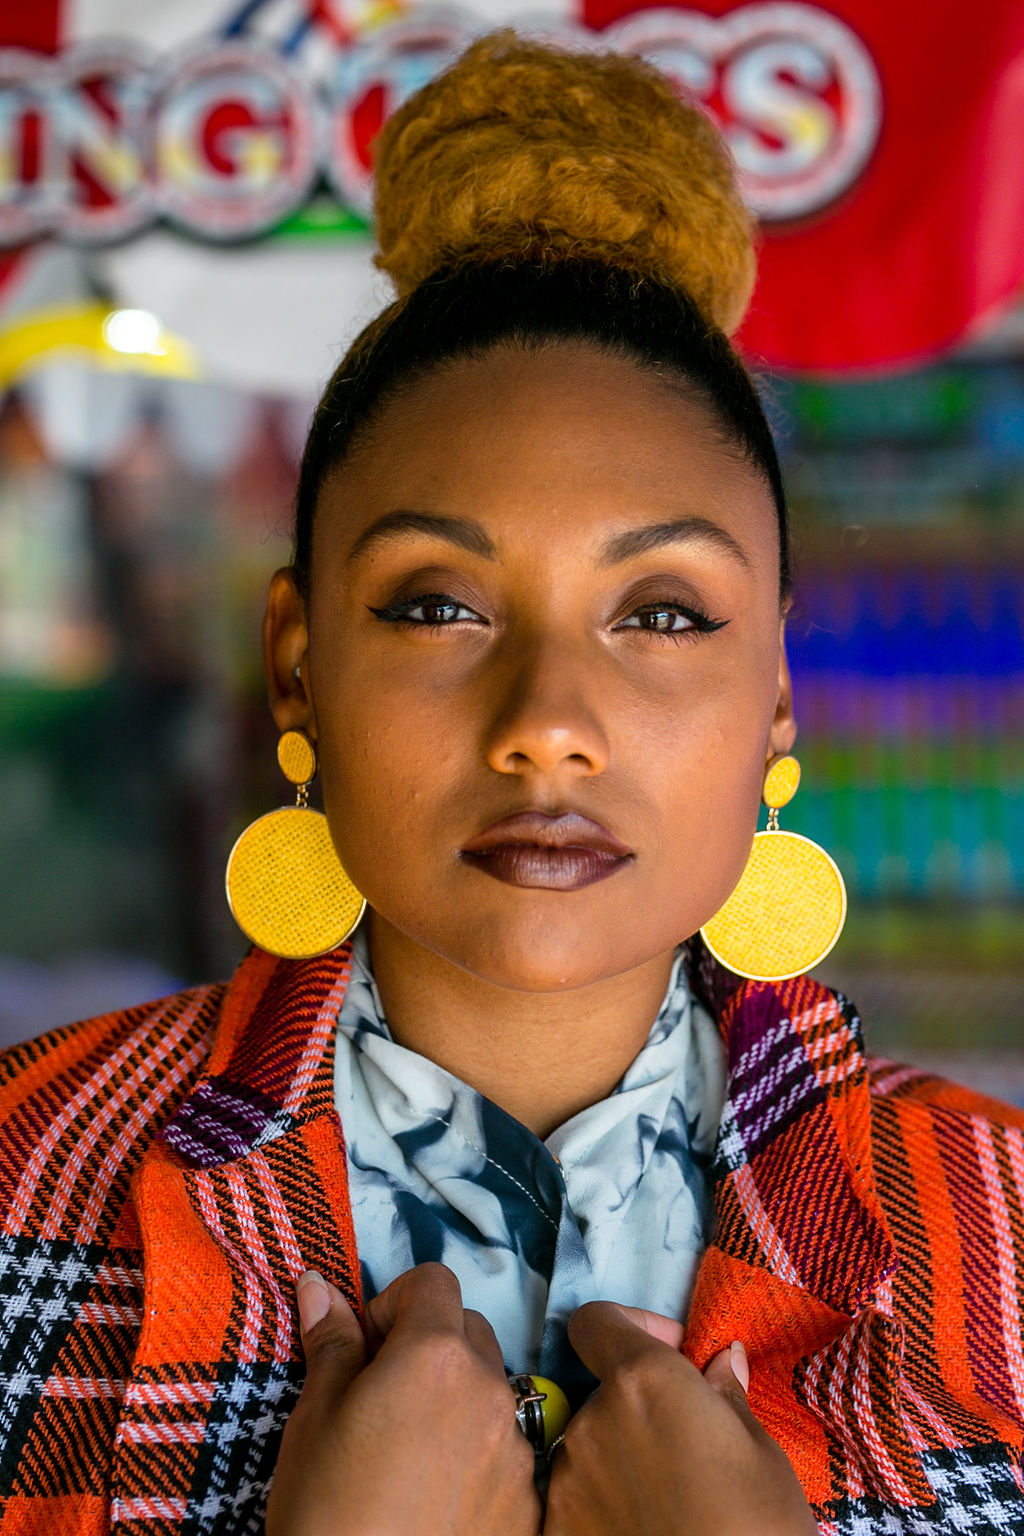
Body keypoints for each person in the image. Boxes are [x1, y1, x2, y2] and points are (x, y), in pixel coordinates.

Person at [0, 30, 1021, 1536]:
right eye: (437, 603)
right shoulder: (29, 1184)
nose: (549, 722)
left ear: (780, 693)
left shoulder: (1000, 1237)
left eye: (664, 613)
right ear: (297, 666)